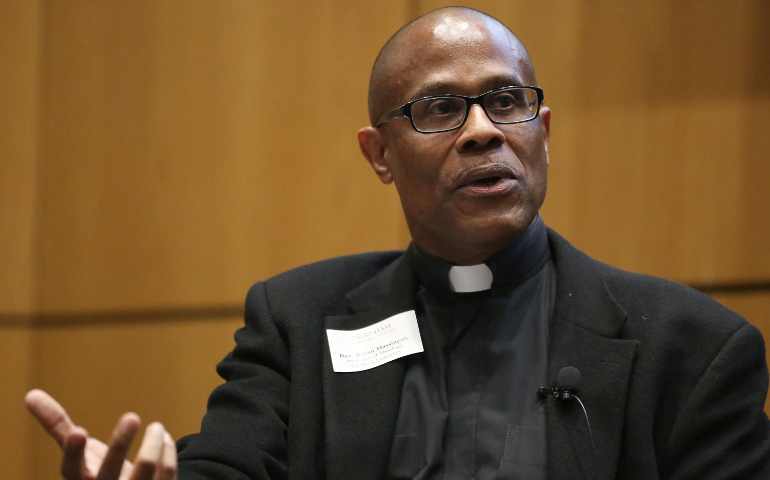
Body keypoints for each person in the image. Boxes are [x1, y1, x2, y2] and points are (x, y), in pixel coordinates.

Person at [26, 6, 770, 480]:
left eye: (507, 101)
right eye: (440, 108)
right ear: (378, 156)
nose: (483, 130)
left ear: (543, 134)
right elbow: (230, 465)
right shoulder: (297, 322)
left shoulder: (694, 349)